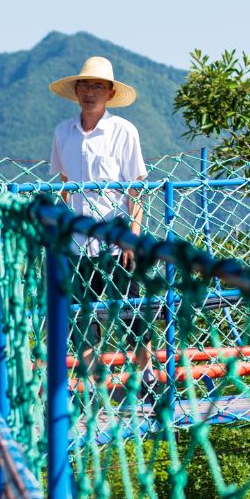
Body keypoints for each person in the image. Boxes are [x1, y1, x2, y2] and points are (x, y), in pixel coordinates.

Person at [48, 56, 154, 386]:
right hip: (78, 243)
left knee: (133, 313)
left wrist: (133, 236)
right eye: (85, 85)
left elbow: (137, 187)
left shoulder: (124, 131)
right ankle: (92, 386)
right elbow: (64, 184)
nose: (89, 92)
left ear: (109, 93)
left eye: (97, 86)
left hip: (117, 240)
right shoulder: (63, 132)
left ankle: (146, 376)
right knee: (84, 318)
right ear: (76, 90)